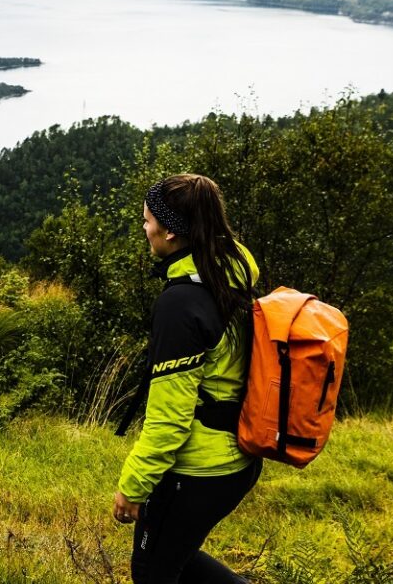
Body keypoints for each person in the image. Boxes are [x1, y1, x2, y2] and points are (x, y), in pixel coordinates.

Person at [112, 174, 263, 583]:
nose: (144, 228)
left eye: (147, 221)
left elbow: (169, 419)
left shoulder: (181, 305)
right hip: (239, 461)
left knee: (151, 571)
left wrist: (133, 486)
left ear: (171, 230)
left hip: (198, 471)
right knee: (174, 557)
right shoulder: (231, 272)